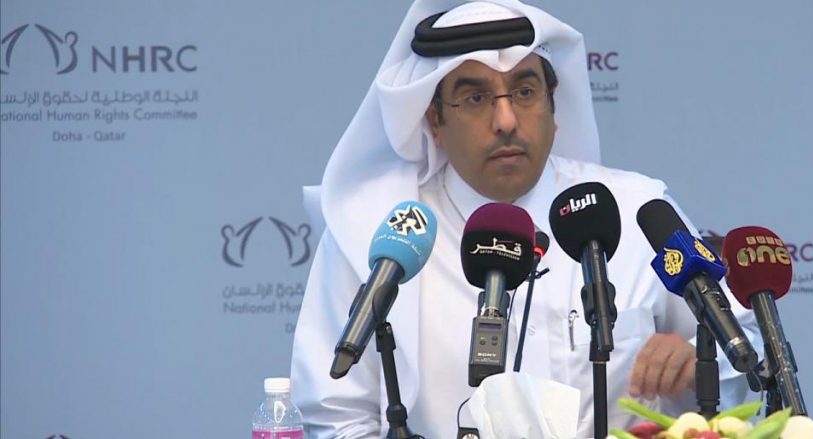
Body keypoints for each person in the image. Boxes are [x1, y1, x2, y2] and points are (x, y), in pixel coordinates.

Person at [290, 1, 762, 437]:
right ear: (434, 121)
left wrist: (698, 359)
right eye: (475, 98)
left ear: (553, 105)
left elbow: (747, 351)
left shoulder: (637, 208)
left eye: (524, 91)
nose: (506, 120)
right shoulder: (379, 236)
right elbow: (336, 416)